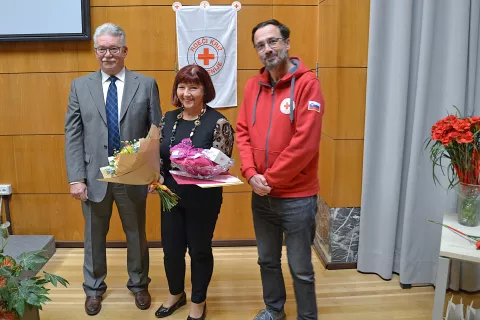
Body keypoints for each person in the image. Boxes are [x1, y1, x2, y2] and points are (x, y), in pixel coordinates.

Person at [64, 22, 162, 316]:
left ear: (125, 51)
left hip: (132, 177)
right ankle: (94, 289)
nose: (108, 54)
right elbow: (73, 134)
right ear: (96, 51)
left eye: (114, 49)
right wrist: (76, 178)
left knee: (136, 234)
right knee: (93, 236)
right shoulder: (80, 86)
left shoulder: (145, 84)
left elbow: (155, 131)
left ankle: (139, 283)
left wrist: (152, 174)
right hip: (93, 178)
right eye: (102, 49)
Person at [236, 19, 325, 320]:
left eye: (273, 41)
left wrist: (269, 179)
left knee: (300, 267)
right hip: (261, 195)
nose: (267, 49)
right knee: (267, 260)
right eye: (260, 45)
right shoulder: (252, 86)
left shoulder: (308, 84)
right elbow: (242, 133)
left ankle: (307, 316)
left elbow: (305, 144)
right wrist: (250, 173)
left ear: (287, 43)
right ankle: (275, 310)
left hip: (297, 196)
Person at [154, 65, 234, 320]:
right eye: (182, 86)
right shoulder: (168, 118)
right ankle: (176, 293)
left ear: (204, 90)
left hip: (203, 199)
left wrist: (200, 167)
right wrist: (152, 174)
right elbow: (156, 156)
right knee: (171, 249)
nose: (186, 93)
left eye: (193, 87)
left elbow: (222, 165)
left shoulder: (218, 122)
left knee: (199, 250)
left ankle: (199, 301)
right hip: (169, 195)